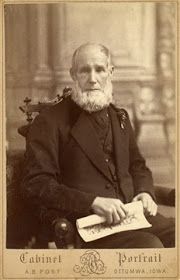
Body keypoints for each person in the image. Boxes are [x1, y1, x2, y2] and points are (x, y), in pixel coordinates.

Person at [21, 43, 175, 248]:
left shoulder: (120, 117)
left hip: (129, 216)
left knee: (175, 234)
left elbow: (138, 166)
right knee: (149, 246)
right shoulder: (50, 121)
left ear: (110, 72)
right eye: (84, 70)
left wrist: (145, 191)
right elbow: (36, 184)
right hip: (85, 224)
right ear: (73, 74)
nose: (93, 78)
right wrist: (93, 202)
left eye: (100, 69)